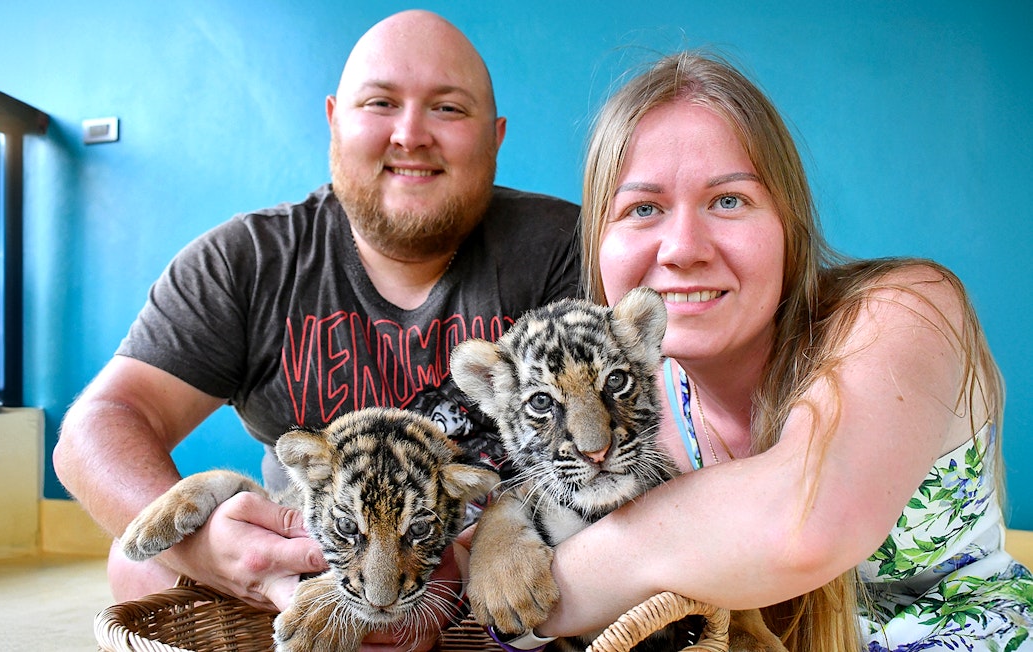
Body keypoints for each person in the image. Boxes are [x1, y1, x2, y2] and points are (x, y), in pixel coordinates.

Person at [52, 9, 580, 651]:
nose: (410, 135)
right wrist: (209, 550)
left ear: (494, 136)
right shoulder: (245, 260)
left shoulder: (564, 247)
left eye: (448, 109)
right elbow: (98, 423)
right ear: (335, 119)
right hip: (308, 574)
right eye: (380, 102)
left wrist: (469, 552)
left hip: (509, 560)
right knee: (135, 560)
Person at [524, 51, 1033, 651]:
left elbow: (802, 524)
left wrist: (542, 588)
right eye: (643, 209)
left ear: (788, 223)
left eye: (729, 200)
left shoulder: (906, 310)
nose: (683, 248)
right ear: (597, 245)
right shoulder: (631, 415)